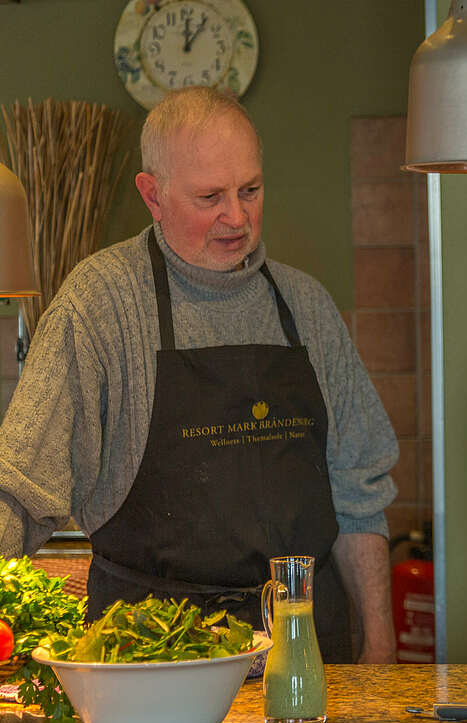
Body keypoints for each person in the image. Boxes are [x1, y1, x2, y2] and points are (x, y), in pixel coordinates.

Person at [0, 87, 399, 663]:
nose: (236, 217)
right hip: (153, 660)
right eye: (210, 196)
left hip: (305, 653)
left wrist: (381, 649)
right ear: (152, 195)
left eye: (250, 190)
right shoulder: (101, 306)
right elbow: (20, 486)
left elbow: (359, 495)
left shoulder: (305, 307)